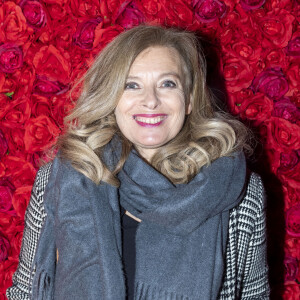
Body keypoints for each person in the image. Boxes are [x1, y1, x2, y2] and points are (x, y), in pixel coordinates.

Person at [6, 25, 270, 300]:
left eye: (168, 84)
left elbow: (254, 296)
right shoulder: (65, 177)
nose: (150, 101)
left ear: (190, 98)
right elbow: (25, 290)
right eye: (132, 85)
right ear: (112, 98)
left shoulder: (236, 190)